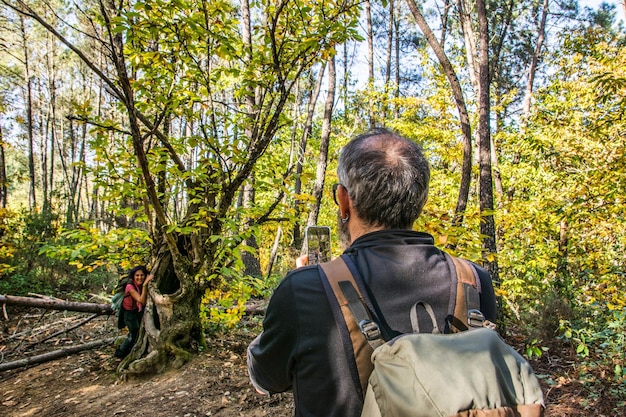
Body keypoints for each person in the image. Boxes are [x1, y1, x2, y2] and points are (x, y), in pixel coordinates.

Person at [247, 128, 498, 417]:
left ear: (343, 200)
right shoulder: (474, 280)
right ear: (420, 201)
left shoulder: (305, 290)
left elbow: (266, 379)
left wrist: (304, 288)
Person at [114, 265, 153, 359]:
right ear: (133, 276)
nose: (140, 277)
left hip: (136, 311)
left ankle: (130, 350)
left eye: (142, 275)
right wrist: (144, 285)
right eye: (137, 275)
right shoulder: (130, 287)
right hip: (128, 313)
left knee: (139, 331)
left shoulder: (138, 285)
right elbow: (141, 300)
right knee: (134, 333)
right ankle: (121, 353)